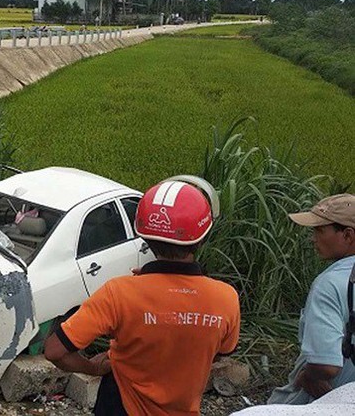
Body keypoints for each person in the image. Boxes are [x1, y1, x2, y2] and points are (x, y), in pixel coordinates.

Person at [44, 177, 241, 415]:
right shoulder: (226, 299)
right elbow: (219, 353)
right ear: (202, 238)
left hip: (120, 406)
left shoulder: (119, 293)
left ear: (143, 235)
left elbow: (55, 351)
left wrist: (93, 369)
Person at [268, 194, 355, 405]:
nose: (313, 238)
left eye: (320, 230)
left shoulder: (329, 285)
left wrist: (308, 377)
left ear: (347, 235)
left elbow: (326, 365)